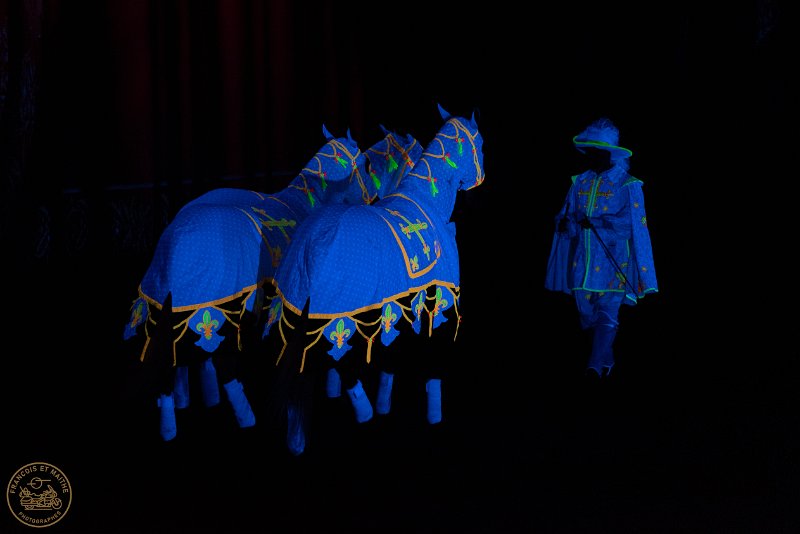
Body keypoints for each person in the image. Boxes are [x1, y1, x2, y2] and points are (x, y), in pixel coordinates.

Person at [544, 117, 658, 378]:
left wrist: (597, 222)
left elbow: (631, 224)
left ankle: (594, 367)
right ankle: (606, 357)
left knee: (608, 312)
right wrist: (565, 224)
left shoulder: (628, 184)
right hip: (583, 262)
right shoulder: (579, 182)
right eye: (590, 150)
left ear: (610, 153)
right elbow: (566, 216)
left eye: (598, 151)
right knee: (586, 314)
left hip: (614, 261)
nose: (593, 155)